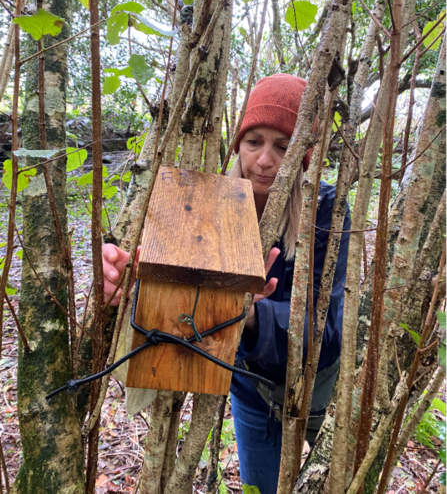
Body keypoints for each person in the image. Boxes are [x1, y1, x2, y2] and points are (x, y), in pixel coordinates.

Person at [102, 74, 351, 494]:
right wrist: (133, 289)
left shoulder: (326, 213)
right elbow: (181, 300)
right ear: (237, 144)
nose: (266, 160)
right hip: (250, 388)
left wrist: (253, 315)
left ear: (304, 157)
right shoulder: (203, 201)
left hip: (315, 391)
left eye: (284, 146)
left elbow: (326, 336)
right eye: (254, 141)